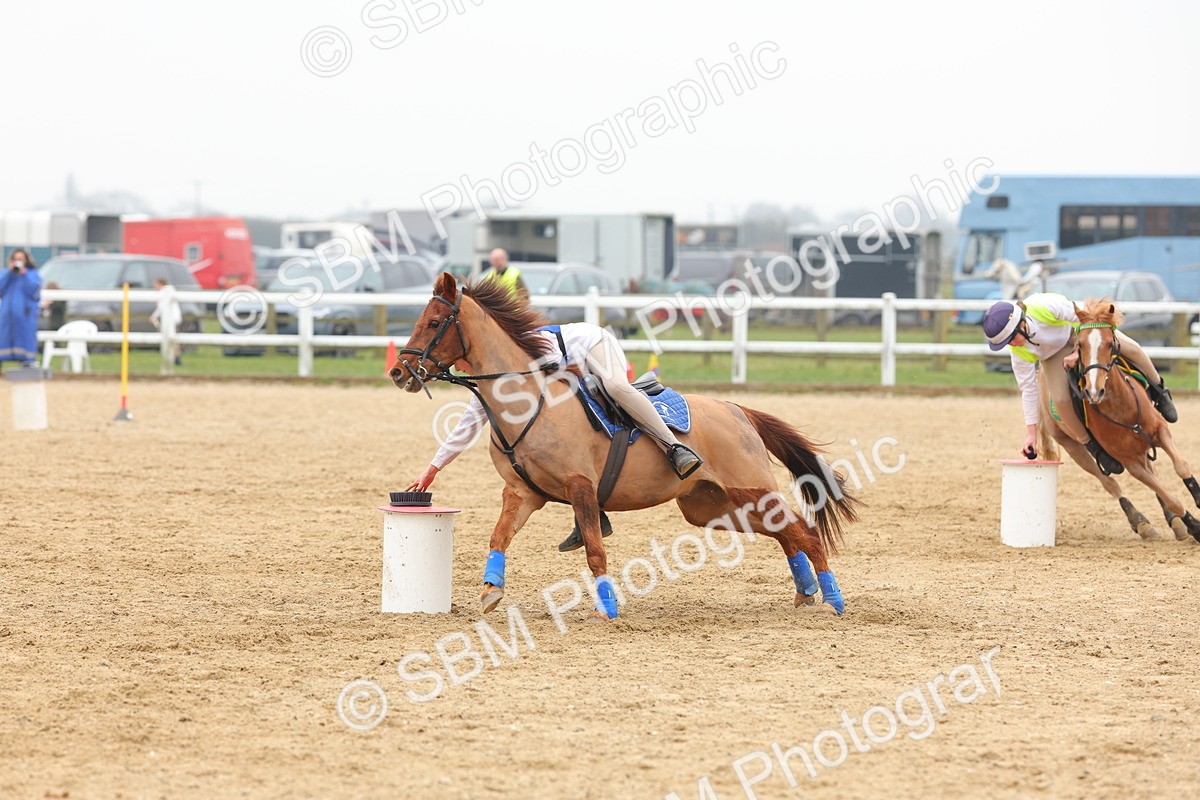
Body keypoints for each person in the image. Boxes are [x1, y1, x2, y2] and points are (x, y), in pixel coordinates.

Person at [407, 320, 703, 551]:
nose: (458, 369)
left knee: (616, 387)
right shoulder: (491, 384)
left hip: (592, 345)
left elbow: (562, 375)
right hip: (573, 372)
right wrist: (433, 469)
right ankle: (589, 516)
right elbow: (467, 426)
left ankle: (675, 448)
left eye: (459, 363)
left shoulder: (521, 354)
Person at [983, 293, 1178, 475]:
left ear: (1021, 325)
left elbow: (1083, 320)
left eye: (1011, 339)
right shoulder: (1018, 353)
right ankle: (1092, 446)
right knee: (1060, 399)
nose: (1011, 345)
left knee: (1134, 350)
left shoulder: (1045, 307)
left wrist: (1077, 352)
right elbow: (1028, 391)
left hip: (1081, 332)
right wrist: (1031, 435)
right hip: (1053, 356)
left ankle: (1160, 392)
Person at [0, 249, 43, 367]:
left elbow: (34, 291)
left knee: (25, 340)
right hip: (7, 317)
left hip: (25, 316)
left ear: (26, 261)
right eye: (15, 259)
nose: (17, 262)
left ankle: (26, 364)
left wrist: (24, 274)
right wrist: (8, 272)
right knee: (3, 339)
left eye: (20, 259)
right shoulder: (6, 273)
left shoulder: (32, 274)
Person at [149, 277, 183, 366]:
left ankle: (173, 358)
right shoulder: (170, 291)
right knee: (173, 339)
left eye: (156, 284)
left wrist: (154, 316)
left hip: (171, 319)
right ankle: (176, 358)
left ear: (160, 284)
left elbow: (161, 307)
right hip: (175, 319)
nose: (155, 286)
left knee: (171, 339)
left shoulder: (163, 293)